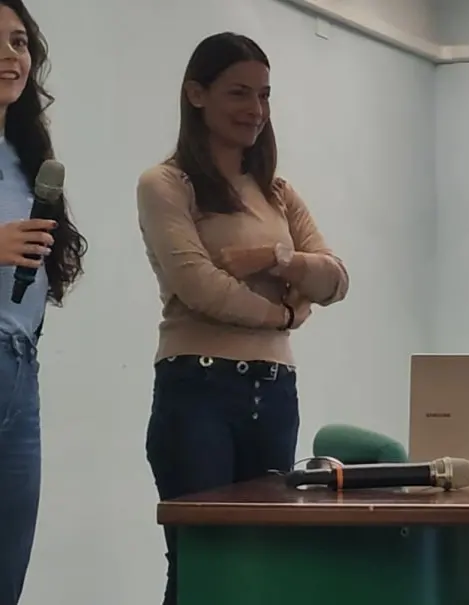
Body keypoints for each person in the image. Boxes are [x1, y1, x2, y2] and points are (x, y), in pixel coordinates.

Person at [136, 32, 349, 605]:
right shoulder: (166, 184)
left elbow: (335, 279)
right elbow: (199, 286)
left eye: (264, 95)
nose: (255, 110)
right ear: (196, 94)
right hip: (197, 390)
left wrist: (279, 259)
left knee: (262, 566)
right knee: (204, 566)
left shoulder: (277, 192)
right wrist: (283, 311)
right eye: (239, 93)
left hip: (275, 393)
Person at [0, 1, 88, 603]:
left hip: (19, 369)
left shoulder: (27, 155)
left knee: (8, 573)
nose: (12, 57)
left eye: (19, 42)